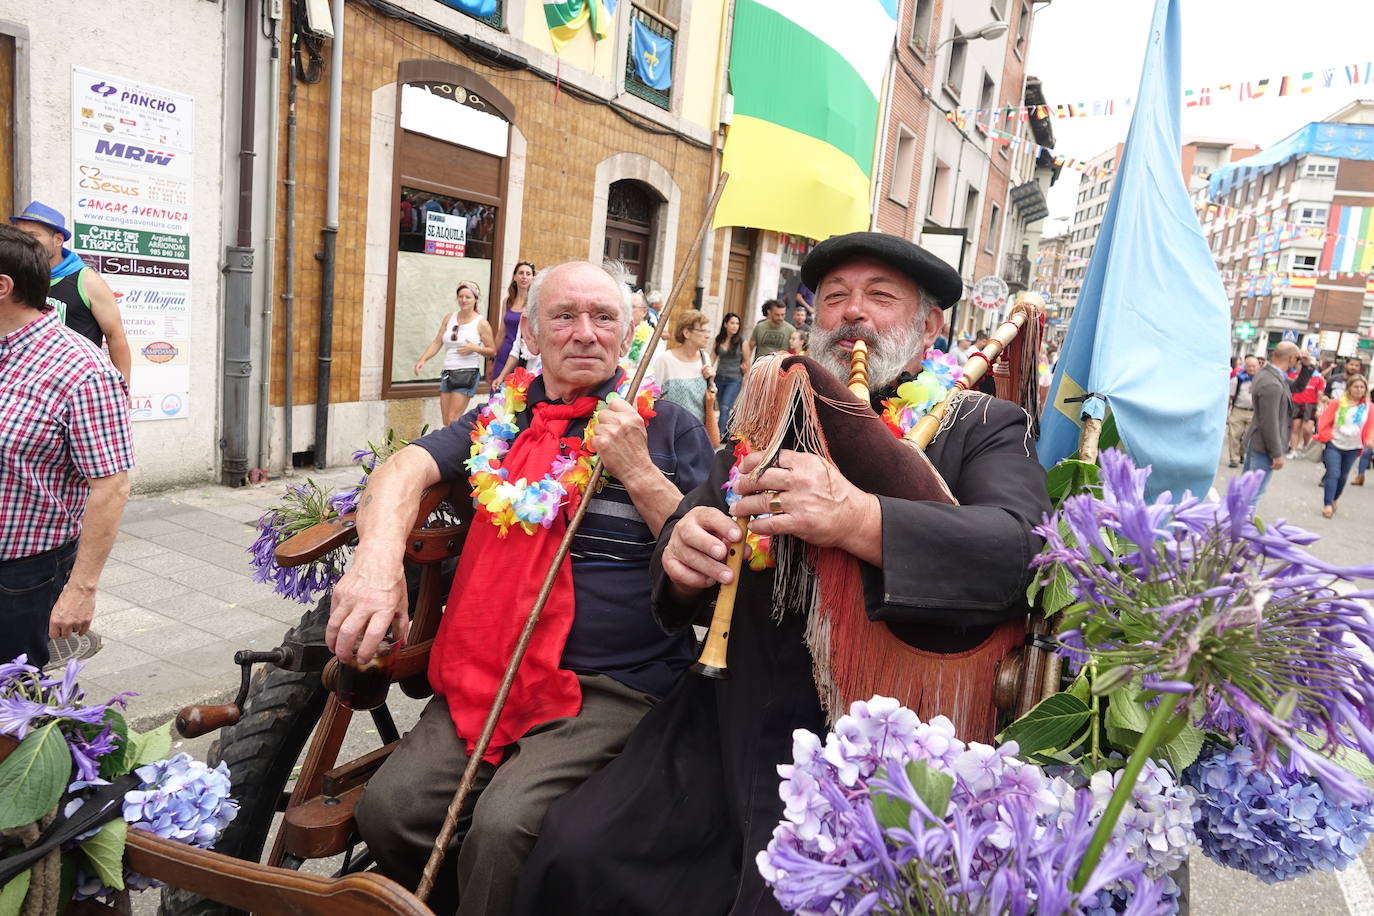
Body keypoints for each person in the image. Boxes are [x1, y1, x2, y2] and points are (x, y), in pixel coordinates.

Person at [515, 231, 1050, 916]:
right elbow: (685, 545)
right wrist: (682, 560)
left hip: (881, 748)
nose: (852, 315)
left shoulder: (981, 423)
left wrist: (860, 519)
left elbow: (1020, 554)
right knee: (577, 850)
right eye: (834, 298)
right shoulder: (769, 419)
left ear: (931, 329)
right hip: (725, 721)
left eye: (879, 297)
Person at [331, 260, 714, 916]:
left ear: (626, 337)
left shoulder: (671, 427)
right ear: (530, 336)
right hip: (492, 667)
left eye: (604, 319)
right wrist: (376, 564)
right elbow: (402, 469)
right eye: (564, 317)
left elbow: (705, 570)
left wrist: (637, 467)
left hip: (612, 682)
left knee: (506, 828)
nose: (586, 333)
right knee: (392, 810)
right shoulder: (497, 421)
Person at [0, 225, 133, 669]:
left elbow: (111, 486)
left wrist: (80, 590)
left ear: (3, 287)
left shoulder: (82, 371)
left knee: (14, 711)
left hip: (22, 576)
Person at [10, 201, 131, 382]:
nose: (25, 243)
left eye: (33, 236)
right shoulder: (17, 278)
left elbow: (116, 336)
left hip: (75, 384)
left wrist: (124, 387)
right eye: (20, 236)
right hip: (28, 383)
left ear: (58, 240)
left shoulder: (86, 280)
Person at [414, 281, 496, 426]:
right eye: (460, 296)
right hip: (448, 371)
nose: (463, 300)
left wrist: (475, 348)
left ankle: (460, 446)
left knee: (453, 418)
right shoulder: (449, 318)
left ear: (475, 299)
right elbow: (437, 342)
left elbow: (492, 350)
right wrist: (423, 359)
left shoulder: (481, 323)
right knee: (446, 420)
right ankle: (453, 446)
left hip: (467, 373)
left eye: (468, 297)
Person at [1242, 340, 1298, 502]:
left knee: (1245, 492)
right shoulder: (1272, 383)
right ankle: (1240, 526)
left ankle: (1233, 524)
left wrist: (1308, 368)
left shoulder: (1266, 374)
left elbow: (1296, 388)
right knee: (1252, 496)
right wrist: (1276, 453)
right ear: (1292, 358)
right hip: (1263, 446)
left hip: (1256, 441)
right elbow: (1270, 422)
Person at [1314, 374, 1372, 518]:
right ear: (1349, 388)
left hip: (1354, 446)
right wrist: (1327, 436)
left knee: (1342, 476)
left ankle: (1334, 499)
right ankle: (1327, 504)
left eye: (1362, 387)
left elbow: (1370, 427)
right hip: (1334, 443)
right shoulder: (1337, 403)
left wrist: (1369, 439)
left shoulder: (1369, 407)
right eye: (1356, 387)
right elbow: (1324, 421)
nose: (1359, 390)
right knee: (1333, 473)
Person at [648, 309, 716, 424]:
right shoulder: (665, 360)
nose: (707, 335)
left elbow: (709, 397)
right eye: (702, 331)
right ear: (686, 333)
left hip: (698, 432)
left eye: (708, 331)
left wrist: (711, 381)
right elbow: (651, 399)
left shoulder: (705, 358)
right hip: (671, 432)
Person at [491, 261, 535, 385]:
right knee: (496, 392)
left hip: (523, 356)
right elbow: (501, 332)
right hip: (504, 354)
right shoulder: (507, 301)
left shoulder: (534, 304)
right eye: (521, 273)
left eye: (528, 274)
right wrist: (491, 359)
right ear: (514, 277)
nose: (524, 277)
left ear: (532, 278)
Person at [1226, 355, 1260, 468]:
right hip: (1238, 410)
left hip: (1254, 412)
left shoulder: (1261, 380)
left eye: (1254, 366)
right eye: (1249, 366)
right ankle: (1234, 459)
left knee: (1248, 437)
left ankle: (1242, 453)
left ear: (1258, 367)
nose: (1251, 369)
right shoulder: (1237, 379)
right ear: (1245, 367)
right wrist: (1227, 413)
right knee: (1234, 435)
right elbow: (1229, 396)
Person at [1287, 352, 1323, 458]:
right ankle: (1293, 450)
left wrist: (1319, 408)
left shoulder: (1318, 378)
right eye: (1299, 365)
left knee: (1307, 428)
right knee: (1295, 427)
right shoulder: (1291, 375)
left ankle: (1306, 444)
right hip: (1296, 404)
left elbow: (1319, 394)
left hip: (1310, 405)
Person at [711, 313, 744, 424]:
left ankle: (718, 438)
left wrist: (746, 384)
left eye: (737, 323)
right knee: (721, 408)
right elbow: (712, 358)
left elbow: (746, 364)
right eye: (732, 323)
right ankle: (725, 433)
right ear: (725, 324)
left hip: (734, 379)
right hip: (719, 377)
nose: (735, 326)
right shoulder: (719, 340)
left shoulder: (742, 341)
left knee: (725, 408)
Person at [742, 299, 794, 368]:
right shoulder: (759, 327)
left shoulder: (791, 330)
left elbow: (795, 351)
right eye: (777, 315)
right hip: (759, 367)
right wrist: (746, 362)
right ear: (770, 312)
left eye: (783, 315)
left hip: (779, 369)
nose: (780, 318)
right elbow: (750, 347)